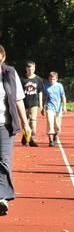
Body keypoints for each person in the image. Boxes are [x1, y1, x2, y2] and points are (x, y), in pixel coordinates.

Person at [0, 45, 31, 215]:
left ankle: (2, 197)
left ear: (3, 57)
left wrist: (25, 123)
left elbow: (18, 99)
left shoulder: (10, 73)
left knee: (4, 160)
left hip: (5, 124)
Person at [20, 61, 44, 147]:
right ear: (26, 69)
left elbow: (40, 92)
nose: (31, 71)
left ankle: (31, 139)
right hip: (24, 104)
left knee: (33, 123)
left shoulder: (38, 79)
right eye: (29, 69)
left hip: (34, 103)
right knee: (24, 122)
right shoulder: (22, 79)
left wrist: (41, 105)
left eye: (33, 69)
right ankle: (25, 135)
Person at [41, 72, 67, 147]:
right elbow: (44, 98)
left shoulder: (59, 86)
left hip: (58, 107)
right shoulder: (46, 86)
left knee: (57, 126)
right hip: (50, 107)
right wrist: (43, 107)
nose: (52, 81)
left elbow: (63, 96)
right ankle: (51, 140)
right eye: (50, 79)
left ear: (56, 79)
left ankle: (56, 135)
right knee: (50, 122)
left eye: (53, 79)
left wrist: (64, 106)